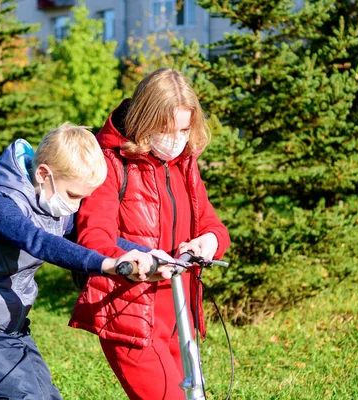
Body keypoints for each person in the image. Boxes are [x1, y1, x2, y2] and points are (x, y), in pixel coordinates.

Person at [0, 123, 172, 400]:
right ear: (44, 174)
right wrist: (106, 265)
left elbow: (93, 236)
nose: (76, 205)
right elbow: (38, 241)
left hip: (10, 330)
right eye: (73, 195)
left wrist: (149, 253)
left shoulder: (50, 202)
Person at [69, 68, 231, 399]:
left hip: (178, 316)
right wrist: (137, 261)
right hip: (131, 318)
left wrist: (210, 241)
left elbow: (212, 224)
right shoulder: (111, 162)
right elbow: (94, 238)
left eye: (184, 129)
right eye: (167, 129)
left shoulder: (183, 162)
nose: (176, 139)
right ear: (145, 120)